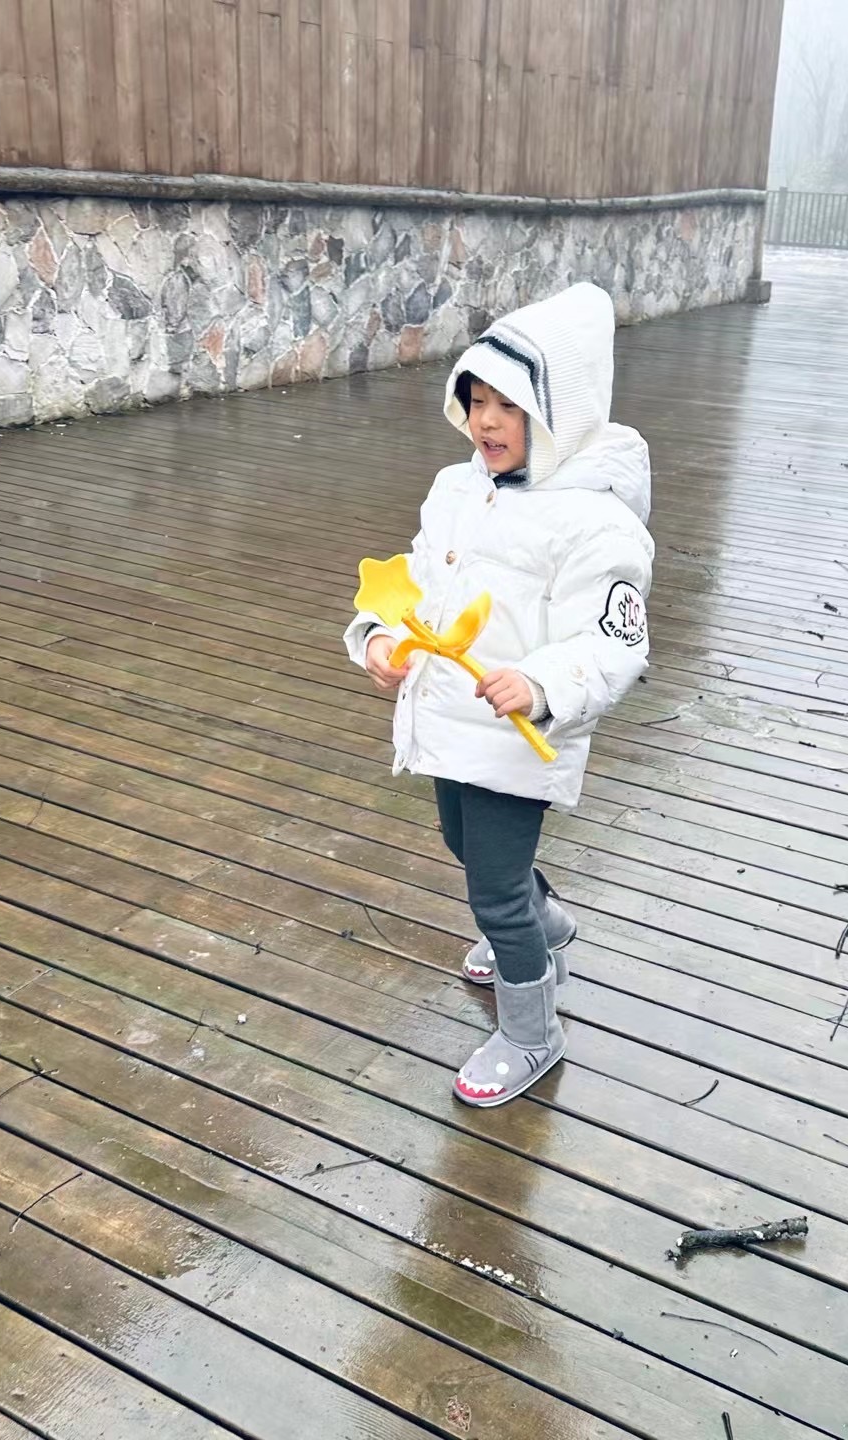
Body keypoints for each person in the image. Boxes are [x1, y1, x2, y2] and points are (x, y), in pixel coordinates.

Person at [345, 282, 653, 1107]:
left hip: (517, 735)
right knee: (463, 841)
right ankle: (546, 925)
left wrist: (542, 682)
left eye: (509, 405)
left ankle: (531, 1032)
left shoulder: (598, 523)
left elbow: (614, 641)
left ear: (559, 413)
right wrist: (378, 636)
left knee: (494, 890)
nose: (485, 421)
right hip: (448, 717)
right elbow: (413, 580)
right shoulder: (458, 489)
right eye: (476, 400)